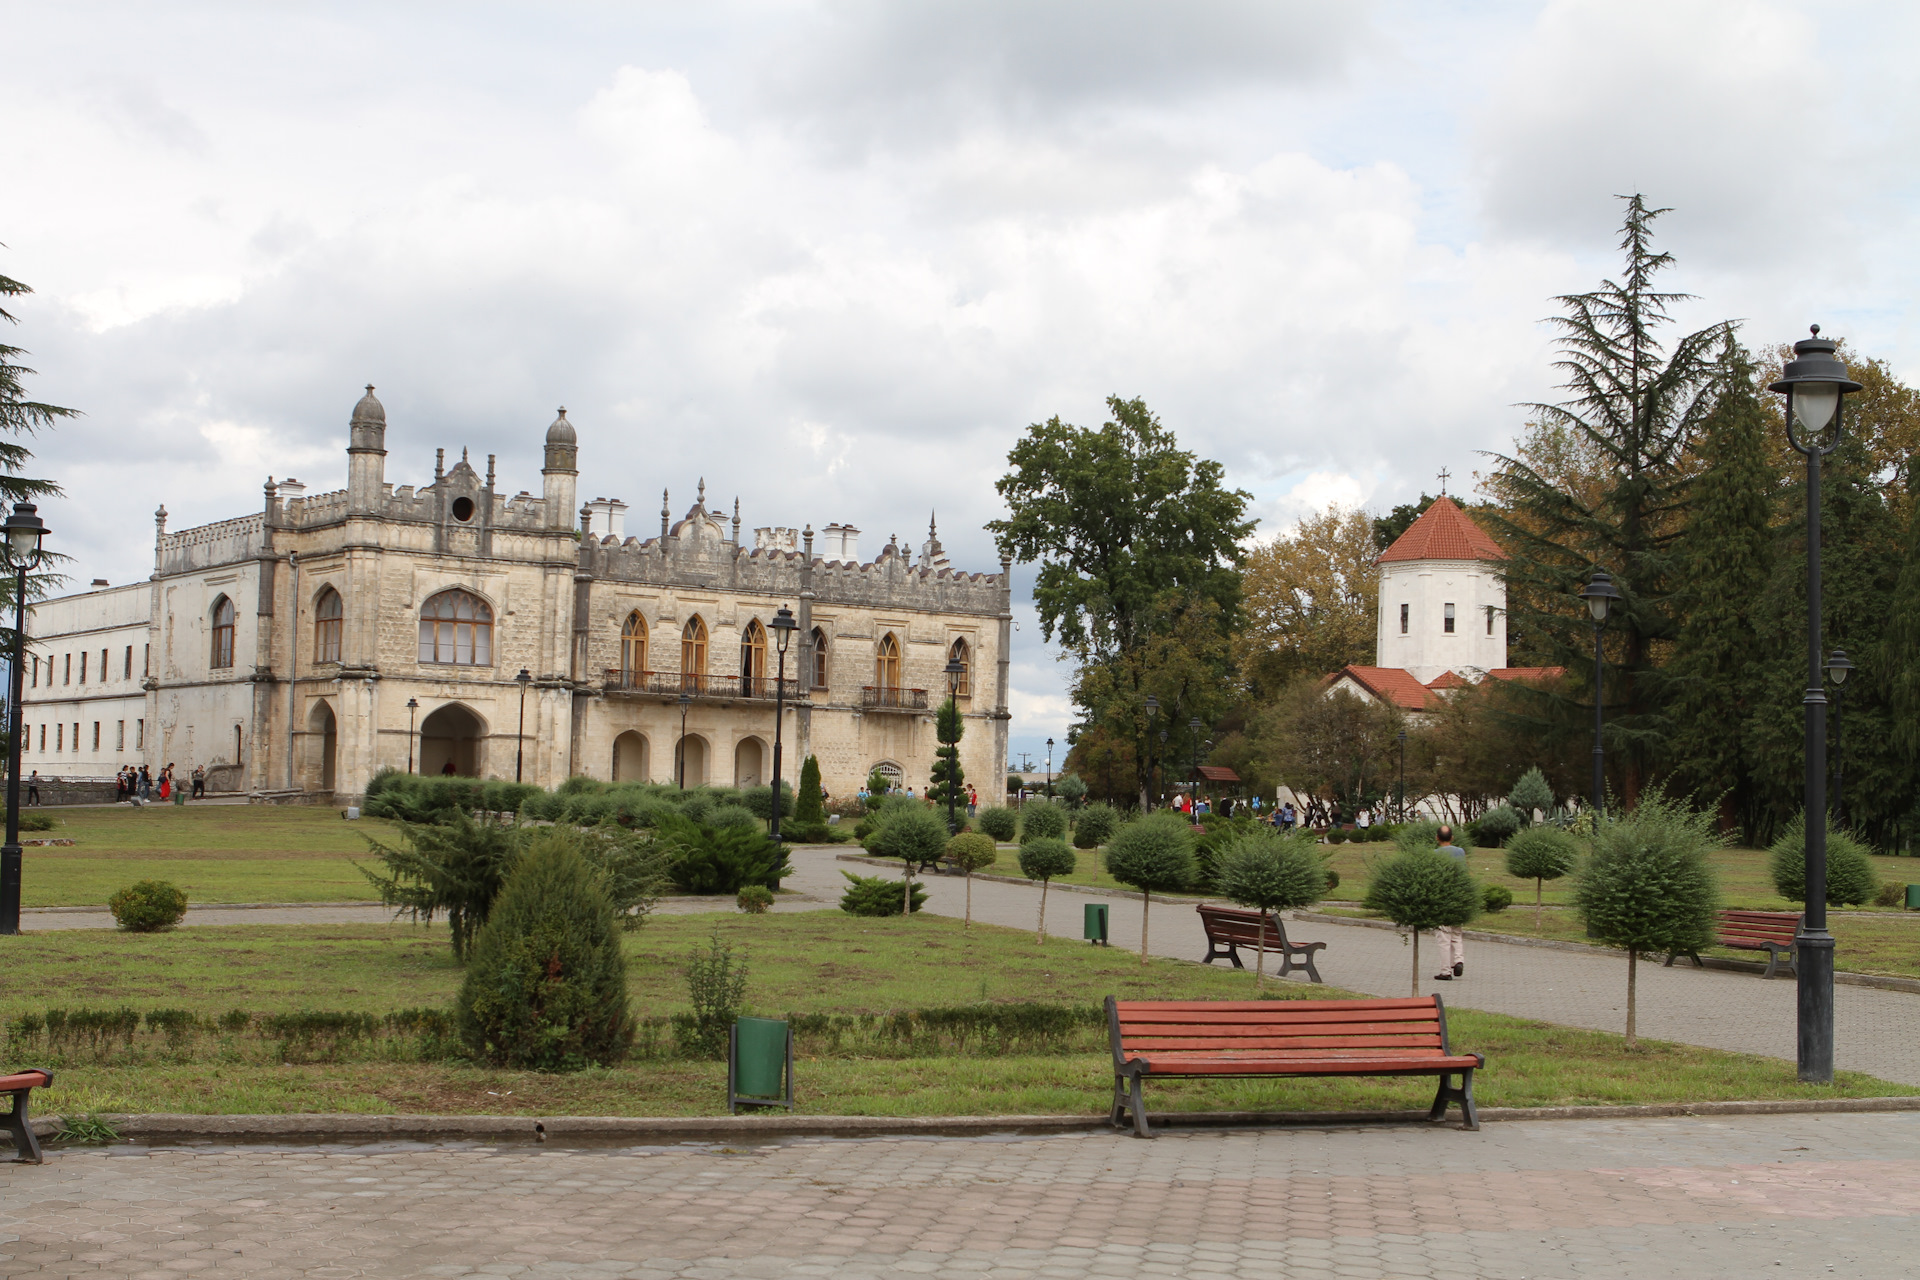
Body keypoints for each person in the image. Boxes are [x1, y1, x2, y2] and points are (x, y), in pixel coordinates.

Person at [1431, 823, 1467, 981]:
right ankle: (1458, 960)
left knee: (1443, 935)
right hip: (1459, 896)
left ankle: (1446, 971)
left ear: (1437, 838)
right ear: (1452, 837)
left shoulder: (1434, 854)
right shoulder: (1460, 852)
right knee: (1457, 932)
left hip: (1442, 898)